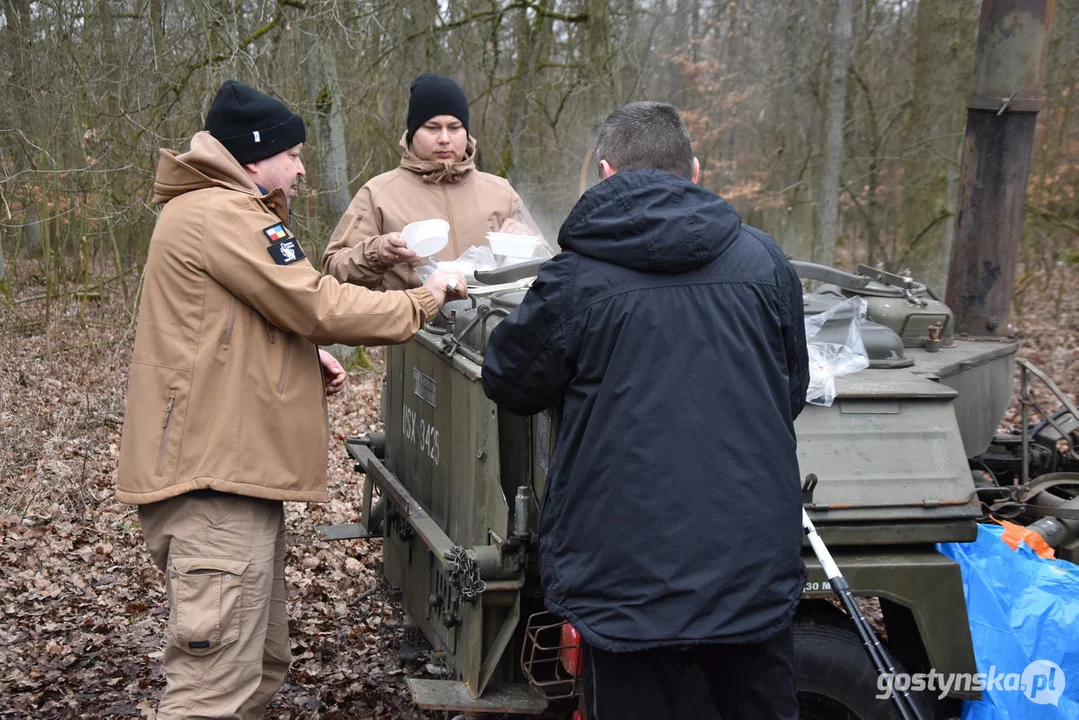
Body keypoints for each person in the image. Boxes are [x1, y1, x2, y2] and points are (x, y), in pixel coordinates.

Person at [115, 79, 465, 718]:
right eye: (293, 154)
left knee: (257, 667)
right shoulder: (222, 213)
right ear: (254, 157)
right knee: (214, 689)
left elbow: (237, 320)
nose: (302, 168)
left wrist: (302, 358)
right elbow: (313, 301)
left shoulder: (217, 209)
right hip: (212, 485)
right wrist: (425, 297)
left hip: (229, 477)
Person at [480, 101, 810, 720]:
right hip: (748, 566)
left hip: (623, 575)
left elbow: (508, 379)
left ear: (606, 173)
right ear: (695, 170)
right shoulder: (765, 263)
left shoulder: (575, 279)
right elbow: (789, 393)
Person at [321, 72, 541, 291]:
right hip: (411, 324)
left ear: (466, 132)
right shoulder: (378, 193)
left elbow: (552, 269)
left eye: (454, 127)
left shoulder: (500, 192)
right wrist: (376, 253)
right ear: (412, 133)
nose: (444, 138)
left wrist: (529, 246)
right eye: (432, 128)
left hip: (493, 321)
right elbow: (332, 272)